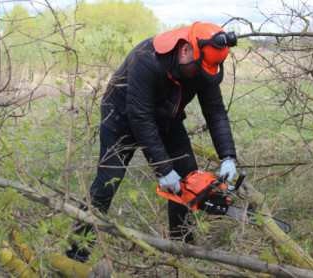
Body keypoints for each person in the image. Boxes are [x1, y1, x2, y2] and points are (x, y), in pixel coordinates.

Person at [67, 21, 238, 261]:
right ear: (186, 49)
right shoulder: (148, 59)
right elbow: (140, 117)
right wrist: (163, 169)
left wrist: (228, 157)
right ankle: (76, 252)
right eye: (200, 68)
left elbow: (215, 111)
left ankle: (182, 248)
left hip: (166, 119)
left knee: (187, 178)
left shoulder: (202, 66)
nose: (201, 73)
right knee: (108, 182)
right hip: (121, 119)